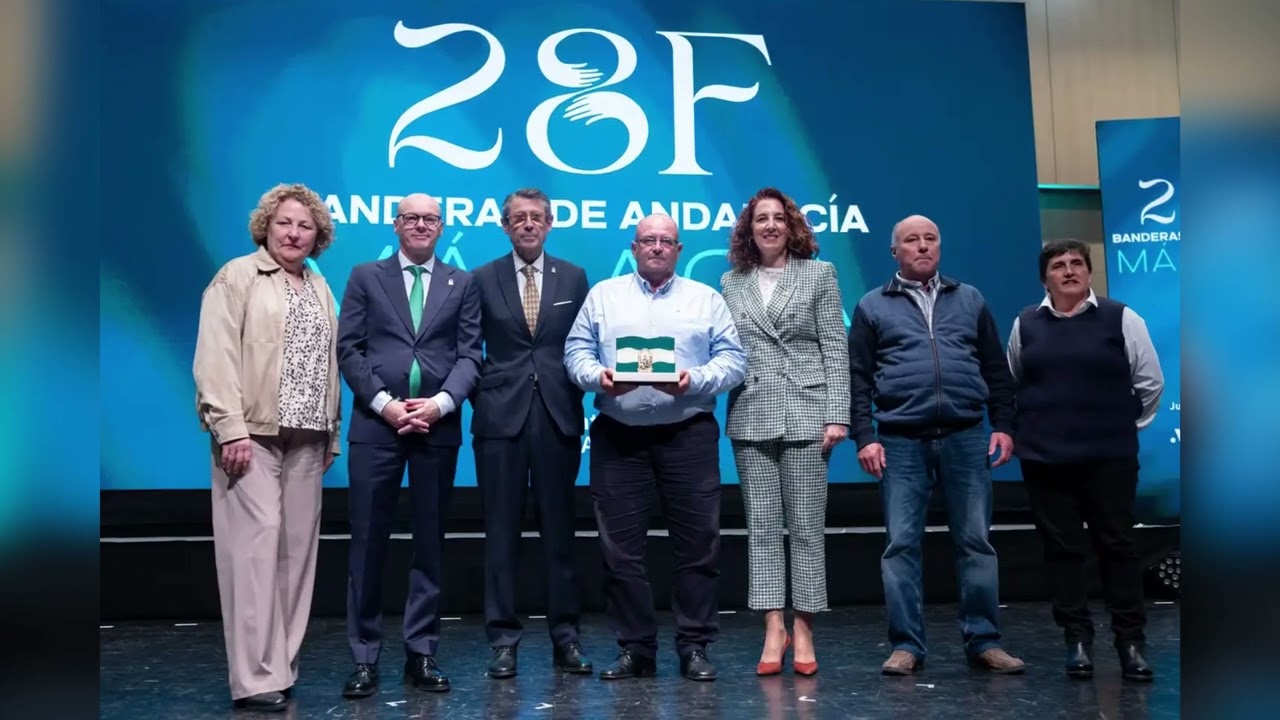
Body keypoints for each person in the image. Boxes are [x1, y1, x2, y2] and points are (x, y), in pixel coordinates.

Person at [563, 214, 747, 682]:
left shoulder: (705, 299)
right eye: (649, 240)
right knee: (620, 553)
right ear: (635, 246)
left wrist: (695, 380)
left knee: (698, 548)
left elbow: (733, 361)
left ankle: (695, 646)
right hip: (618, 434)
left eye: (666, 241)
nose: (658, 248)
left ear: (679, 249)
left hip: (687, 434)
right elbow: (576, 352)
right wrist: (596, 377)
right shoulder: (604, 295)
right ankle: (635, 648)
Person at [848, 214, 1025, 676]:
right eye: (911, 240)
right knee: (901, 546)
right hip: (901, 440)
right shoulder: (872, 306)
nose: (922, 246)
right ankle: (906, 645)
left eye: (930, 239)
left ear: (939, 247)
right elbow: (858, 379)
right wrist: (864, 436)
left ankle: (984, 641)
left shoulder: (969, 299)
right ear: (895, 252)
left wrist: (1003, 425)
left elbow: (996, 369)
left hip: (967, 436)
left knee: (976, 543)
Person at [193, 182, 342, 712]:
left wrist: (333, 433)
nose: (294, 233)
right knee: (253, 555)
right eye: (285, 223)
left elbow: (330, 365)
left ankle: (280, 666)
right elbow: (215, 358)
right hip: (250, 436)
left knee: (295, 558)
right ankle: (255, 678)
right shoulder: (236, 276)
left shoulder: (318, 288)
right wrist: (228, 428)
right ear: (266, 227)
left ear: (317, 235)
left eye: (305, 225)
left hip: (309, 439)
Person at [335, 193, 482, 697]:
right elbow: (348, 349)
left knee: (430, 543)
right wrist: (384, 404)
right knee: (368, 542)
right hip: (376, 427)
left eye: (430, 219)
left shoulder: (461, 283)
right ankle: (364, 656)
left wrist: (441, 404)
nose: (421, 225)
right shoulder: (364, 276)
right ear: (396, 224)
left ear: (442, 228)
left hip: (436, 429)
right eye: (412, 218)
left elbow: (470, 356)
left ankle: (421, 651)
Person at [1007, 239, 1162, 682]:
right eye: (1059, 265)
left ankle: (1130, 643)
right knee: (1062, 551)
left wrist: (1118, 427)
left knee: (1117, 547)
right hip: (1045, 461)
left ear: (1089, 272)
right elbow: (1015, 380)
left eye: (1077, 263)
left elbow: (1150, 385)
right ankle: (1076, 641)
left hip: (1109, 459)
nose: (1069, 271)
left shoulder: (1122, 318)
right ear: (1045, 278)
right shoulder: (1026, 324)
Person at [719, 188, 850, 676]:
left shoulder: (820, 274)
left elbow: (836, 348)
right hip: (752, 413)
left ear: (791, 225)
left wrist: (838, 414)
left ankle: (805, 626)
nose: (770, 226)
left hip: (807, 412)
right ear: (748, 230)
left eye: (778, 218)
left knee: (807, 529)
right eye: (761, 220)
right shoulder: (732, 282)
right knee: (763, 529)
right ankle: (773, 625)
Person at [469, 188, 593, 679]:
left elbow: (584, 342)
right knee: (500, 533)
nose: (527, 225)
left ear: (550, 222)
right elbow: (466, 348)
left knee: (559, 533)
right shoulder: (481, 278)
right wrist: (486, 394)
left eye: (536, 218)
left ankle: (566, 636)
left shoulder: (574, 276)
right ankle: (503, 639)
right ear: (504, 225)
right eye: (518, 218)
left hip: (557, 416)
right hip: (500, 419)